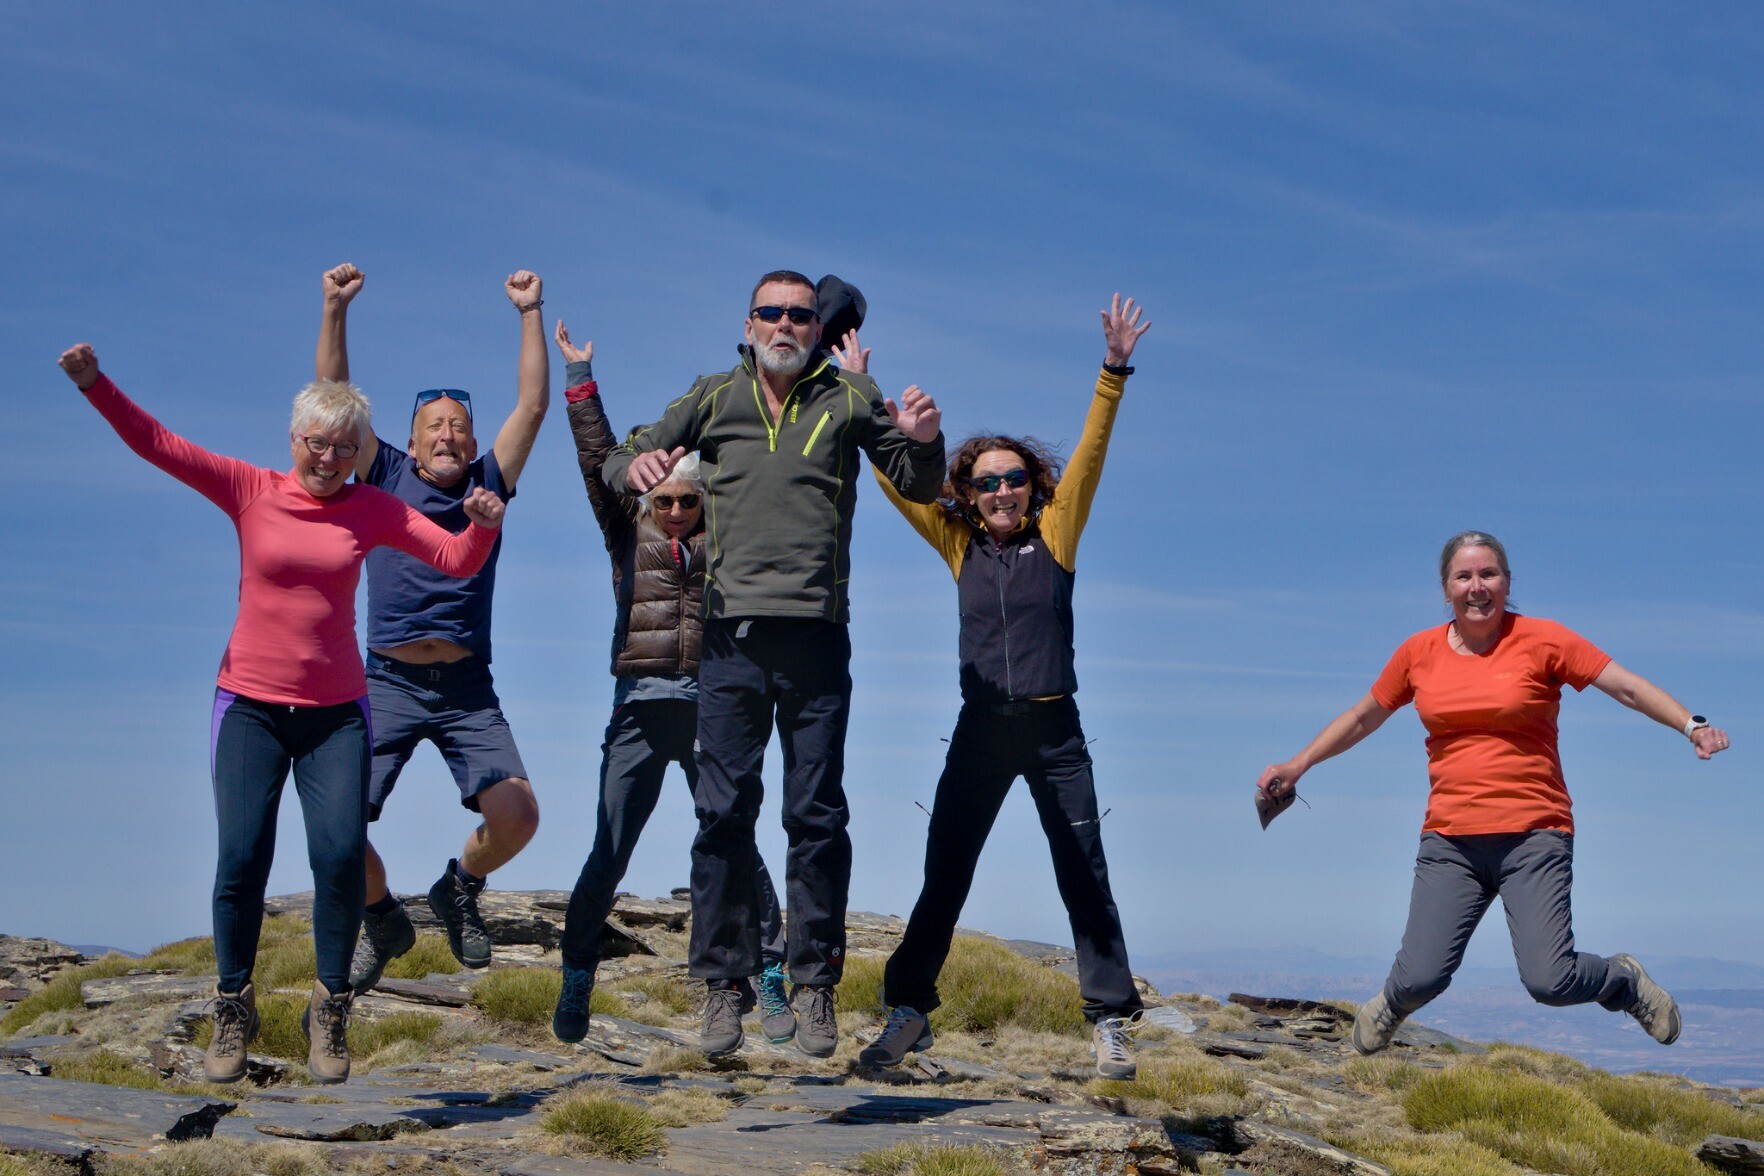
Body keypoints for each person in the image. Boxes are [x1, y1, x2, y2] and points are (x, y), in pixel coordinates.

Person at [56, 342, 506, 1085]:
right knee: (241, 859)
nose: (328, 457)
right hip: (250, 707)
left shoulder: (373, 508)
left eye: (343, 446)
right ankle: (234, 1004)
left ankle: (330, 1008)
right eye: (316, 442)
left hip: (335, 714)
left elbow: (455, 559)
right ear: (294, 440)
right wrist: (94, 384)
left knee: (336, 858)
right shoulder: (247, 488)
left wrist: (482, 524)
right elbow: (157, 444)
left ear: (360, 449)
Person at [601, 270, 946, 1058]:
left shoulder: (850, 398)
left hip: (819, 638)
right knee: (722, 816)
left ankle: (815, 986)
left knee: (816, 817)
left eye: (800, 314)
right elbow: (624, 457)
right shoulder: (713, 395)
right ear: (749, 322)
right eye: (772, 313)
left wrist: (926, 442)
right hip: (730, 641)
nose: (787, 324)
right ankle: (723, 988)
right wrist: (639, 471)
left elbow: (916, 478)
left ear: (815, 327)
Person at [1254, 531, 1730, 1054]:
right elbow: (1363, 717)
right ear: (1446, 589)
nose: (1477, 587)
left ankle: (1624, 982)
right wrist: (1299, 764)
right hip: (1450, 841)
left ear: (1506, 582)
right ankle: (1392, 1000)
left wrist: (1691, 725)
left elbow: (1626, 686)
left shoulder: (1543, 640)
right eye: (1464, 576)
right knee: (1419, 981)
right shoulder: (1419, 652)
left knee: (1550, 981)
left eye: (1488, 574)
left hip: (1534, 835)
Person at [855, 295, 1152, 1080]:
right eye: (987, 484)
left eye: (1014, 479)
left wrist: (1113, 371)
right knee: (944, 872)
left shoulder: (1057, 532)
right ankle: (909, 1012)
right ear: (968, 492)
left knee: (1083, 871)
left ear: (1033, 485)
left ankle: (1111, 1021)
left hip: (1057, 734)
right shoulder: (956, 542)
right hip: (982, 730)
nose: (1002, 493)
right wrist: (865, 398)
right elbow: (894, 481)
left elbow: (1090, 452)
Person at [549, 322, 792, 1045]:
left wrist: (760, 377)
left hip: (713, 705)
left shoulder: (726, 536)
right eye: (667, 503)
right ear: (649, 502)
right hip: (638, 708)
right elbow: (598, 456)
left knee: (734, 840)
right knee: (609, 849)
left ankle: (769, 974)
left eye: (690, 501)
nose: (678, 512)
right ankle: (577, 975)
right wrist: (580, 382)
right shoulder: (628, 528)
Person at [312, 264, 547, 989]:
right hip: (383, 680)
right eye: (434, 426)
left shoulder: (487, 482)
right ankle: (383, 914)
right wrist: (335, 311)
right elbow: (331, 399)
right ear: (410, 442)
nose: (448, 435)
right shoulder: (381, 473)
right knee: (336, 827)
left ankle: (459, 887)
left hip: (467, 685)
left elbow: (533, 407)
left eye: (459, 426)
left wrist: (529, 312)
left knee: (518, 817)